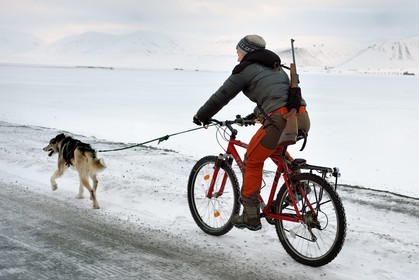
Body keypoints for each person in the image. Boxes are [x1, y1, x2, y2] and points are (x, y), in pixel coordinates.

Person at [193, 35, 310, 231]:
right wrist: (252, 116)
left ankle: (250, 215)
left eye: (238, 52)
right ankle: (297, 188)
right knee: (273, 150)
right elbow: (275, 98)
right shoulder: (276, 67)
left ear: (246, 51)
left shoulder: (244, 70)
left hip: (279, 122)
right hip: (302, 118)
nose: (237, 57)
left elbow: (221, 96)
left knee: (252, 160)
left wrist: (201, 115)